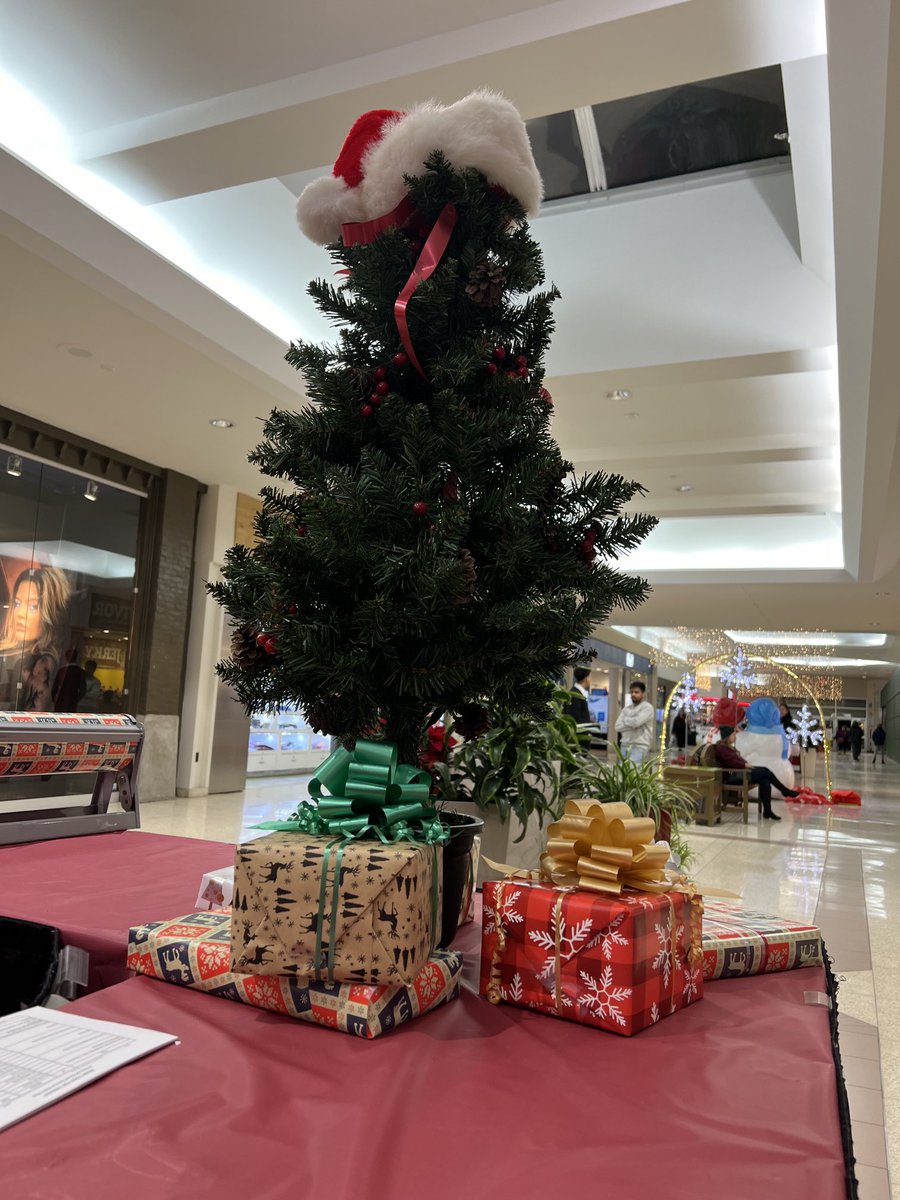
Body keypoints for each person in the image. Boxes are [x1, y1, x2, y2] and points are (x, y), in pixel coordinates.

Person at [0, 565, 71, 711]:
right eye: (18, 603)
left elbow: (32, 718)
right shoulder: (16, 654)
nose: (20, 613)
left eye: (33, 607)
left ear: (49, 614)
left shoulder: (42, 662)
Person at [714, 725, 800, 820]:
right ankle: (785, 790)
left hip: (740, 773)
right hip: (733, 776)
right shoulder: (722, 748)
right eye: (733, 735)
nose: (735, 736)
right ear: (727, 736)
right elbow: (733, 762)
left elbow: (738, 760)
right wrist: (745, 765)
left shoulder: (729, 748)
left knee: (765, 782)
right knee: (765, 771)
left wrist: (745, 763)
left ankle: (768, 811)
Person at [615, 679, 655, 765]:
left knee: (633, 773)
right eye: (632, 692)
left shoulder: (647, 708)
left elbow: (636, 722)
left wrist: (625, 720)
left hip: (639, 746)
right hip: (624, 745)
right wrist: (632, 723)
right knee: (623, 775)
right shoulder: (626, 709)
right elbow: (617, 726)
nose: (633, 694)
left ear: (643, 694)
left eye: (636, 692)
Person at [52, 647, 86, 711]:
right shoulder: (80, 672)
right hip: (72, 699)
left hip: (61, 699)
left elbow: (55, 687)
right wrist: (76, 699)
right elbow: (83, 690)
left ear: (66, 657)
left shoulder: (62, 670)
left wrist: (53, 698)